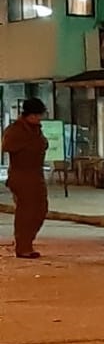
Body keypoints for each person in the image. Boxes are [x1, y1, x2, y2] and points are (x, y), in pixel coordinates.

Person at [2, 98, 50, 259]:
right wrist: (27, 145)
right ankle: (23, 246)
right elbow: (7, 146)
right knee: (26, 212)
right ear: (28, 115)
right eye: (36, 115)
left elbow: (42, 145)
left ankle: (27, 242)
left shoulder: (36, 129)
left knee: (41, 209)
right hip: (21, 175)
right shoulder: (16, 130)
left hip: (36, 174)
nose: (39, 118)